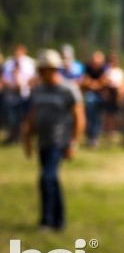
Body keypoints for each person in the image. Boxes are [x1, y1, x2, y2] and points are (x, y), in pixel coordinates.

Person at [22, 49, 84, 231]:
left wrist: (73, 143)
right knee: (52, 179)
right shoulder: (39, 89)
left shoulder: (68, 89)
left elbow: (79, 118)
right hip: (43, 140)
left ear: (52, 69)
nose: (40, 73)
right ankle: (59, 220)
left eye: (43, 69)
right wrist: (27, 135)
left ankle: (47, 220)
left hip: (59, 141)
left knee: (46, 178)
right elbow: (34, 113)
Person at [3, 44, 35, 144]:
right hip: (11, 94)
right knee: (12, 117)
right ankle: (13, 136)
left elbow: (32, 78)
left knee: (24, 117)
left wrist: (23, 85)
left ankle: (23, 136)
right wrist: (11, 86)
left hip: (25, 94)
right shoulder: (8, 63)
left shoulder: (29, 63)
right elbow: (3, 77)